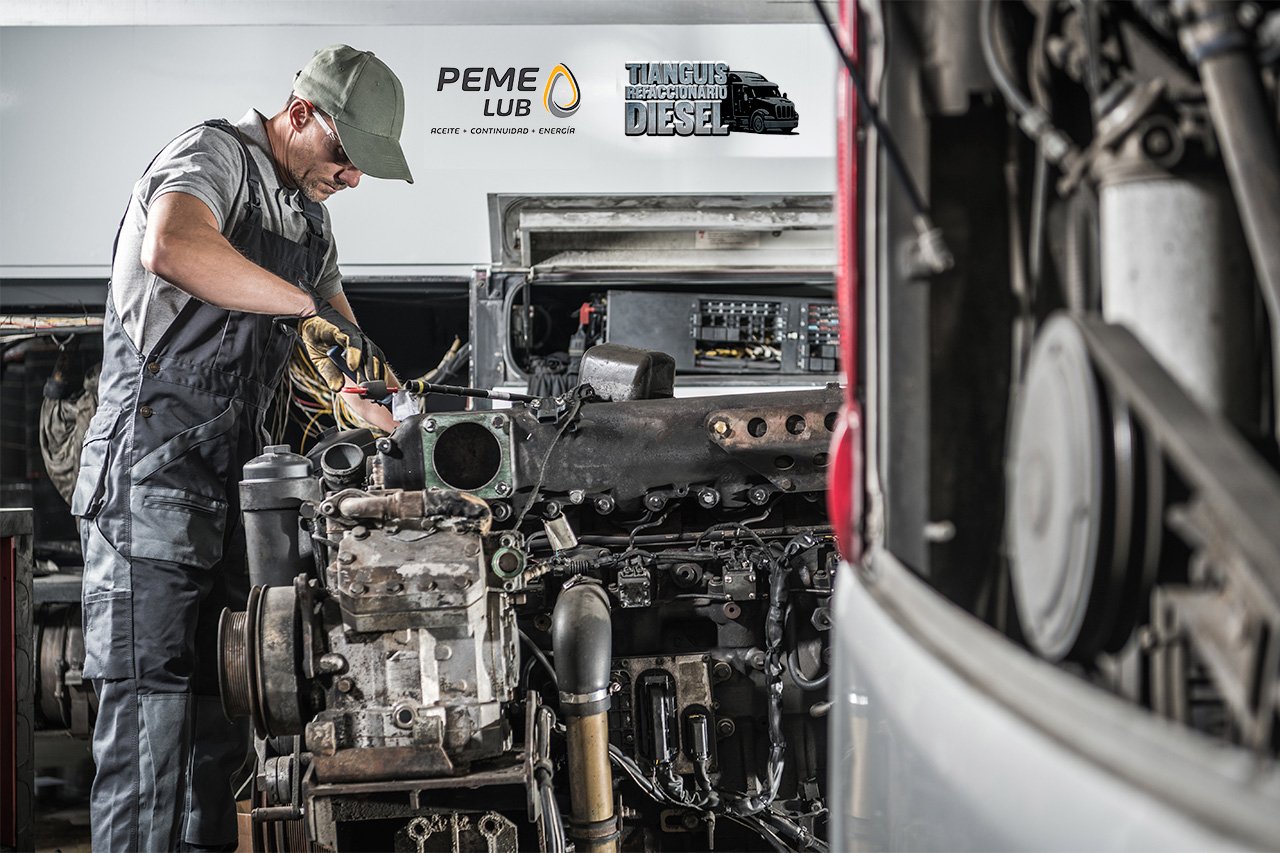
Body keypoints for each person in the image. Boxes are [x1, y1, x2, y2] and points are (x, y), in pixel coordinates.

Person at [71, 44, 411, 851]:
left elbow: (346, 355)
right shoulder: (211, 155)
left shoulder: (308, 221)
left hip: (233, 502)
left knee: (221, 731)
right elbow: (175, 247)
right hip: (147, 490)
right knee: (150, 731)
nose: (351, 176)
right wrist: (299, 308)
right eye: (345, 155)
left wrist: (402, 416)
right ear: (299, 116)